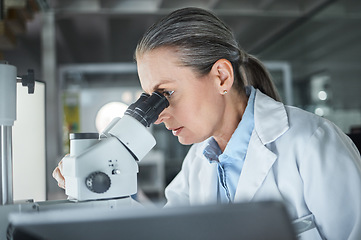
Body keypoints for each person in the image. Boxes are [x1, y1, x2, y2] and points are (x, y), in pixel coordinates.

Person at [53, 7, 361, 240]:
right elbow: (166, 233)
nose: (157, 114)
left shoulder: (312, 143)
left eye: (166, 93)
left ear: (221, 77)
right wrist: (101, 189)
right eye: (150, 98)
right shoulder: (198, 161)